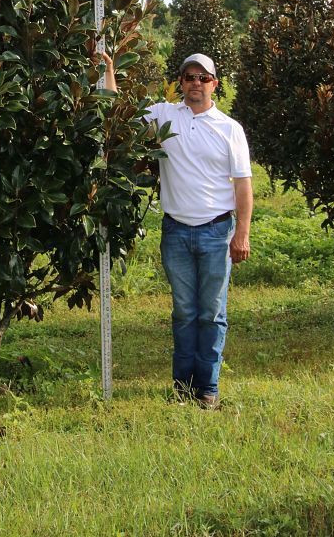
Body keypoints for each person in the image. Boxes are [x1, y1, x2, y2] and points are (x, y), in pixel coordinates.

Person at [102, 51, 253, 409]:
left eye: (203, 78)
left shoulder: (230, 128)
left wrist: (242, 233)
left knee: (212, 313)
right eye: (189, 77)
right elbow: (116, 115)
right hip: (176, 232)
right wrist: (108, 71)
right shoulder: (164, 116)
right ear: (181, 83)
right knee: (185, 312)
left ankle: (208, 388)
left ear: (215, 84)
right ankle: (182, 389)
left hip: (217, 232)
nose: (195, 84)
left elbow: (243, 186)